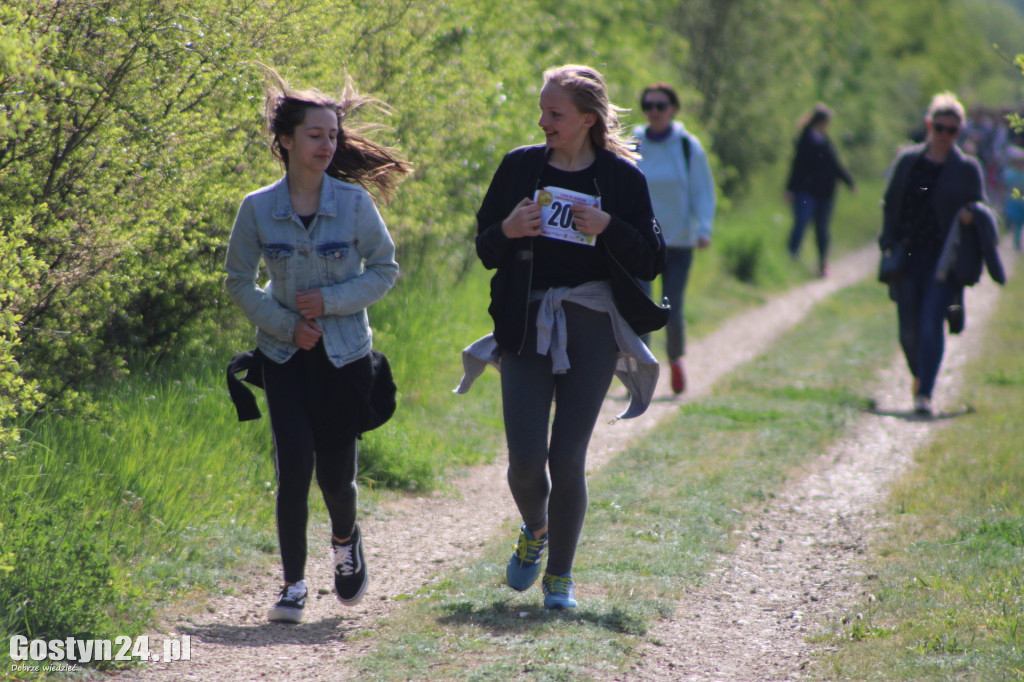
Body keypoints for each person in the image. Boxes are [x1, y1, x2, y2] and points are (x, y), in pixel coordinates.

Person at [455, 65, 664, 609]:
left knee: (567, 456)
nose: (543, 120)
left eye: (555, 113)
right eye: (542, 110)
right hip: (527, 322)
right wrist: (507, 230)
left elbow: (652, 257)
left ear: (587, 120)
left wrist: (608, 227)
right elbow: (484, 247)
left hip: (593, 322)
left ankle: (561, 579)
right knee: (525, 460)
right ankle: (536, 529)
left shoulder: (622, 179)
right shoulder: (520, 167)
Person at [224, 67, 409, 623]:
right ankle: (293, 586)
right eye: (316, 135)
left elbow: (385, 269)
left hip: (345, 355)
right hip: (282, 358)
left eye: (333, 135)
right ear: (286, 141)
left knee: (335, 476)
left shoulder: (353, 205)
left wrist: (327, 304)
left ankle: (346, 541)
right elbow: (237, 282)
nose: (327, 144)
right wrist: (285, 324)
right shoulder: (257, 208)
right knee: (293, 467)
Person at [878, 92, 987, 416]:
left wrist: (972, 215)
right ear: (928, 125)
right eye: (939, 128)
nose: (944, 136)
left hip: (945, 261)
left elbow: (980, 208)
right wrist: (887, 241)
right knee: (908, 328)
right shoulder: (908, 162)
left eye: (951, 130)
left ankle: (924, 391)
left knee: (930, 322)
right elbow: (890, 201)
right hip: (908, 256)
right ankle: (919, 372)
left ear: (960, 132)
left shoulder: (967, 169)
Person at [632, 83, 716, 394]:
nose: (654, 111)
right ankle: (642, 372)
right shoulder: (634, 142)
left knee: (672, 307)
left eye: (660, 105)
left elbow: (702, 191)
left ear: (673, 109)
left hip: (679, 242)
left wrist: (704, 228)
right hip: (641, 243)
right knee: (640, 307)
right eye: (648, 105)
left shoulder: (687, 146)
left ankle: (676, 360)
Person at [784, 103, 855, 277]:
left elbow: (835, 165)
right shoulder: (805, 140)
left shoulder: (826, 142)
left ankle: (822, 263)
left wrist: (848, 181)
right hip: (806, 191)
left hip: (825, 193)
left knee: (822, 229)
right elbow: (797, 166)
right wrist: (790, 188)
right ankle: (791, 257)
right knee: (801, 222)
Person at [1002, 144, 1024, 251]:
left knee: (1019, 223)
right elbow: (1004, 185)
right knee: (1011, 219)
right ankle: (1006, 233)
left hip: (1022, 203)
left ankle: (1016, 242)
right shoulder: (1009, 173)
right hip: (1012, 201)